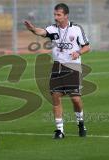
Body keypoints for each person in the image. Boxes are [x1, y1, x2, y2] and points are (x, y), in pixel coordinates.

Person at [24, 3, 90, 139]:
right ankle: (60, 130)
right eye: (55, 14)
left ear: (66, 15)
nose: (56, 17)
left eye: (58, 15)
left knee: (76, 99)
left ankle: (81, 123)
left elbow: (87, 47)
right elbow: (41, 31)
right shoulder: (52, 29)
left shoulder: (76, 29)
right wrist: (32, 29)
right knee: (55, 97)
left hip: (73, 67)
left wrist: (78, 52)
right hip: (57, 66)